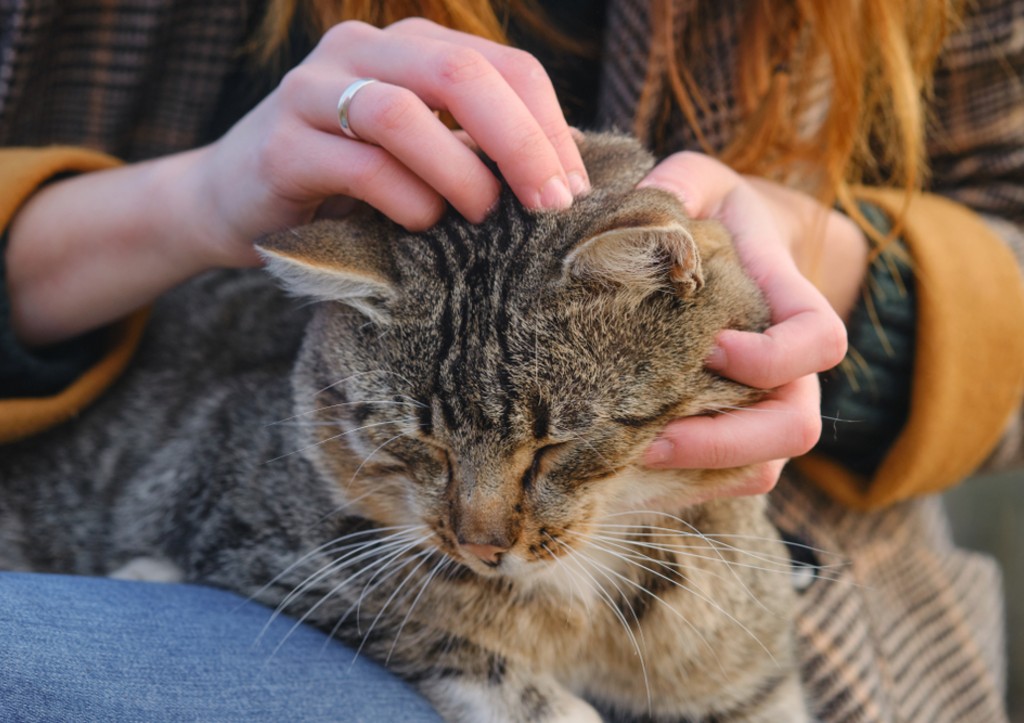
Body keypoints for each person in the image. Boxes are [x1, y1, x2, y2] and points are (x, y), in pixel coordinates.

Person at [0, 0, 1020, 720]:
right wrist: (187, 206)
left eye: (537, 458)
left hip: (795, 595)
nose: (482, 531)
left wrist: (825, 255)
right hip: (317, 597)